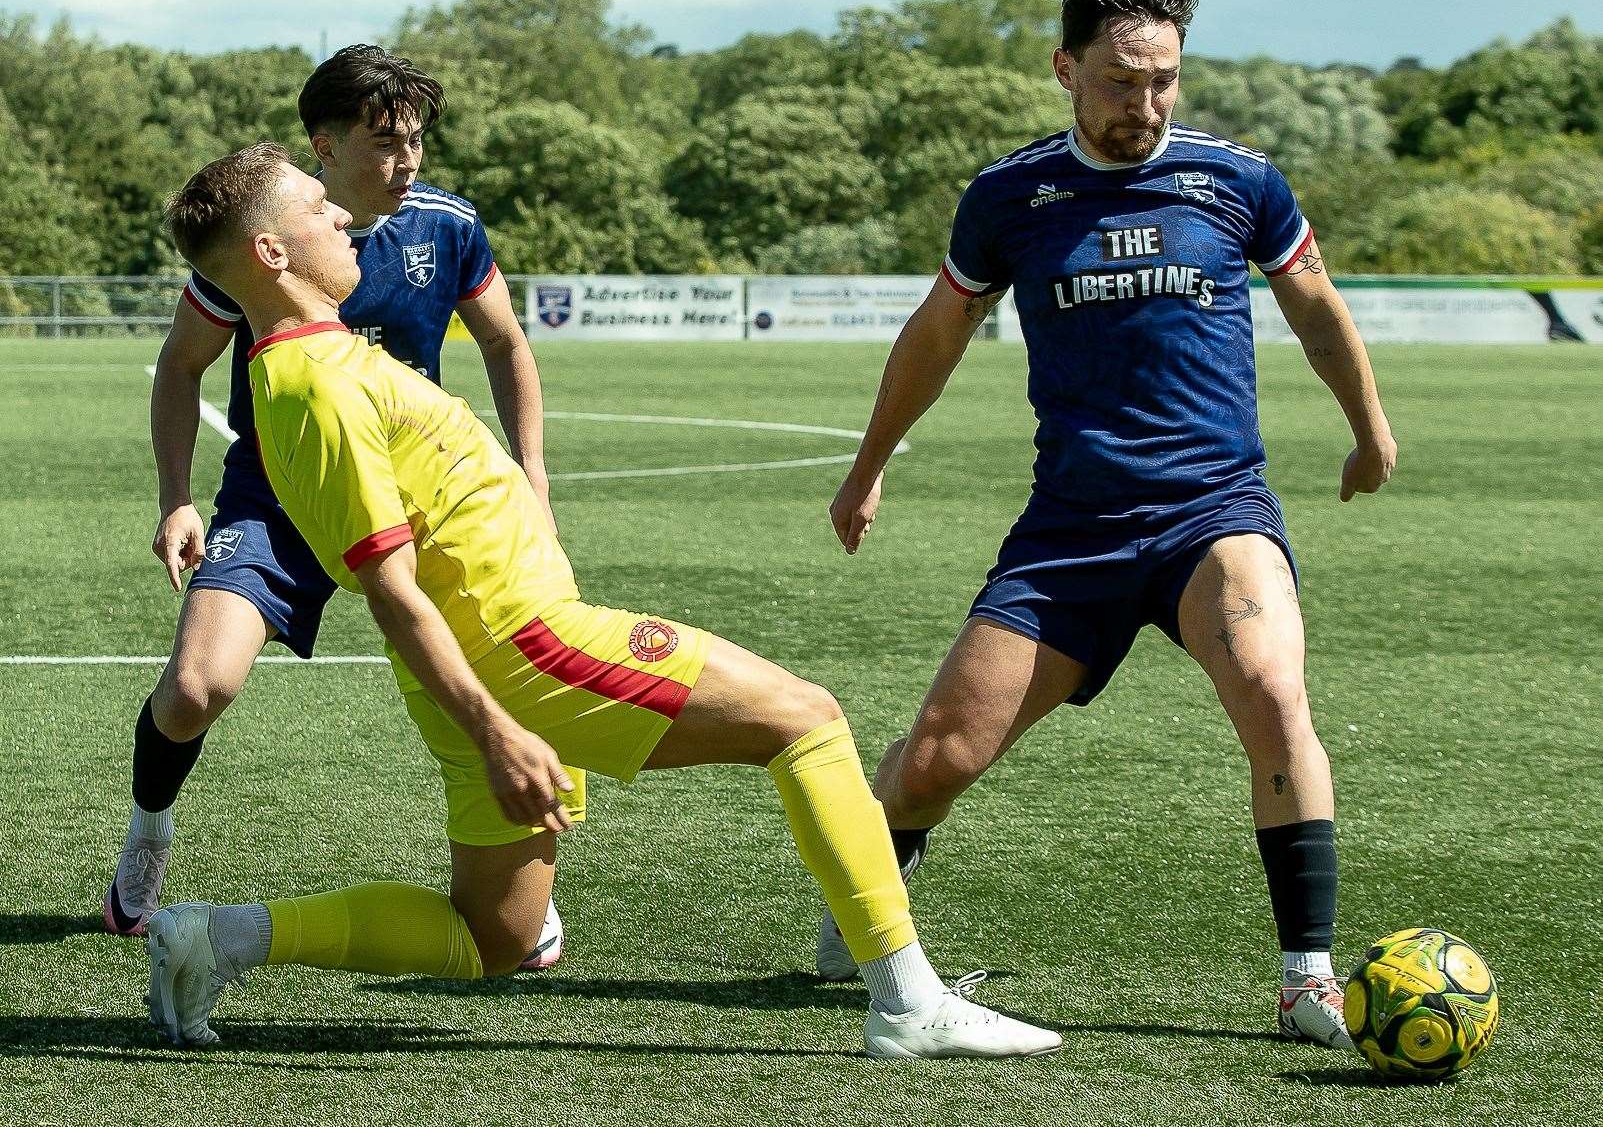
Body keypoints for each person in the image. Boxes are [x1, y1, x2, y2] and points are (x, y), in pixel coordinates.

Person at [141, 143, 1062, 1059]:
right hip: (524, 649)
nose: (341, 215)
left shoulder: (316, 361)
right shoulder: (318, 384)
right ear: (270, 253)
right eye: (314, 207)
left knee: (491, 936)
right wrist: (501, 727)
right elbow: (393, 592)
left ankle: (217, 937)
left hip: (479, 667)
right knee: (806, 722)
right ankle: (907, 1003)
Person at [815, 0, 1397, 1050]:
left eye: (1164, 81)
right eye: (1122, 81)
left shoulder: (1240, 182)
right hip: (1071, 530)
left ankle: (1305, 976)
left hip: (1211, 512)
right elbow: (935, 336)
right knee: (936, 758)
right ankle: (882, 867)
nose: (1146, 105)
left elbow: (1316, 308)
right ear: (1065, 70)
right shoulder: (1009, 197)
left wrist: (1369, 429)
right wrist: (868, 464)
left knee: (1273, 689)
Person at [105, 45, 577, 970]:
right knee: (197, 688)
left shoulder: (446, 226)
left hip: (424, 509)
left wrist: (532, 479)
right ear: (323, 145)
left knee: (508, 677)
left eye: (415, 143)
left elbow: (506, 345)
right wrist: (175, 497)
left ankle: (525, 891)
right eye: (385, 144)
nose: (408, 164)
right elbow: (180, 365)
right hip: (278, 497)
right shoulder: (263, 234)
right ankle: (149, 827)